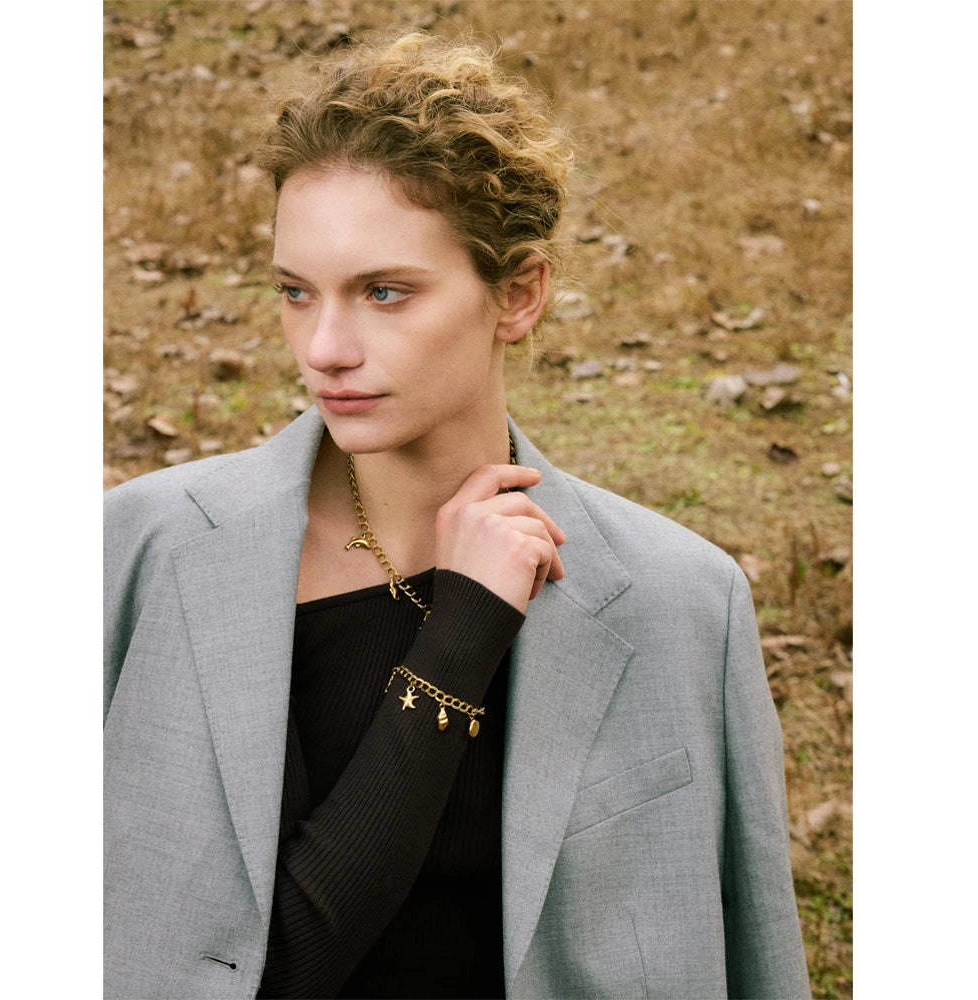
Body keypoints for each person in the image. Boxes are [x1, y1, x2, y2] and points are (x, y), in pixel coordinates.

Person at [104, 31, 811, 1000]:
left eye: (384, 293)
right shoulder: (138, 554)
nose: (324, 347)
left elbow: (755, 955)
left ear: (517, 295)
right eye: (295, 293)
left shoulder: (683, 600)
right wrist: (459, 636)